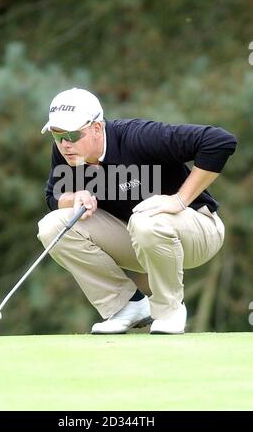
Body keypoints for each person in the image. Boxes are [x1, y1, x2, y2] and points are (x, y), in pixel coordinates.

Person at [38, 87, 237, 334]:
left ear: (97, 128)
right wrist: (74, 197)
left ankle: (170, 310)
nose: (65, 144)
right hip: (139, 241)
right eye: (57, 136)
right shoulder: (67, 154)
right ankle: (126, 306)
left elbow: (219, 141)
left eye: (72, 135)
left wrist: (179, 200)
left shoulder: (138, 137)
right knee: (52, 226)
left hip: (198, 232)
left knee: (145, 221)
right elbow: (52, 197)